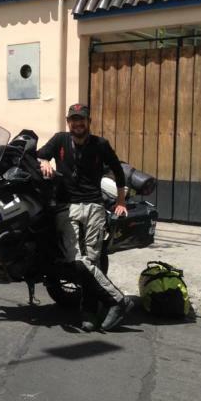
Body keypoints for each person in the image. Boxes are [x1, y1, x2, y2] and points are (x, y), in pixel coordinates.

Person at [37, 103, 135, 331]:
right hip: (68, 207)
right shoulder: (60, 140)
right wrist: (44, 164)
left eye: (81, 119)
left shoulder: (100, 144)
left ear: (88, 121)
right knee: (78, 260)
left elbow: (118, 171)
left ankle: (89, 311)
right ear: (67, 121)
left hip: (93, 206)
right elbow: (40, 156)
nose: (77, 123)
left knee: (91, 261)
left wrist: (120, 201)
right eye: (73, 120)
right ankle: (118, 300)